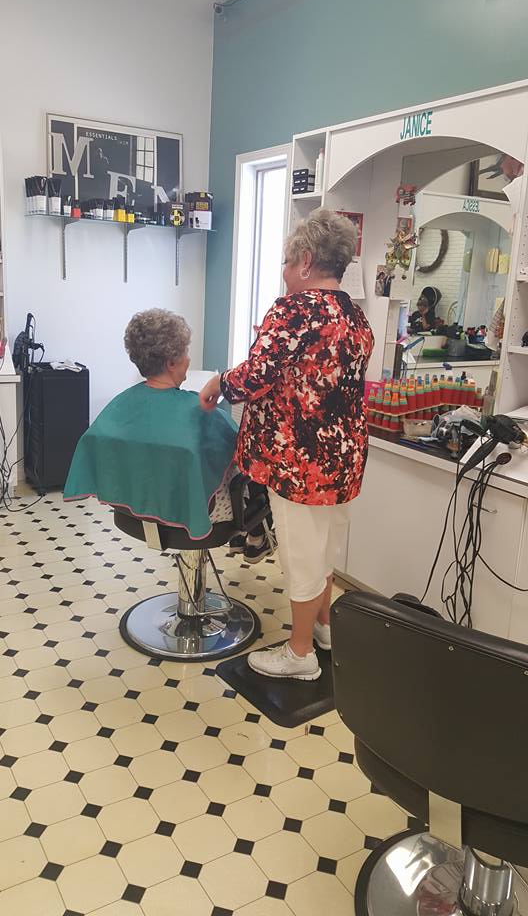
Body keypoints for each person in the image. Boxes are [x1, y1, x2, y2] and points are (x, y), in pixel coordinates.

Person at [200, 209, 374, 680]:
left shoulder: (293, 310)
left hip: (299, 462)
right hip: (344, 458)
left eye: (284, 260)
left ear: (305, 260)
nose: (282, 271)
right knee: (326, 548)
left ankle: (299, 656)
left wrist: (219, 382)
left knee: (300, 553)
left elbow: (256, 377)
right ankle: (322, 628)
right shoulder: (355, 315)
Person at [64, 309, 269, 547]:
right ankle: (257, 539)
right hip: (199, 517)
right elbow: (241, 452)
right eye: (186, 353)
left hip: (132, 513)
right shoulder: (201, 410)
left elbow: (94, 441)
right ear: (172, 362)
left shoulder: (120, 403)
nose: (189, 359)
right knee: (256, 478)